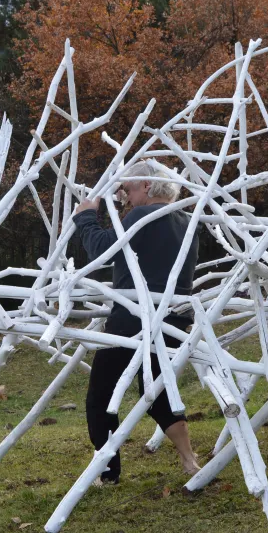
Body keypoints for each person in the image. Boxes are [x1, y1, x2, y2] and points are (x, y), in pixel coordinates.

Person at [72, 161, 201, 483]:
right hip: (175, 316)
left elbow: (102, 250)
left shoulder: (144, 216)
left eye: (128, 189)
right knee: (157, 391)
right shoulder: (186, 220)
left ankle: (107, 472)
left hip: (135, 317)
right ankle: (189, 459)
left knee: (101, 395)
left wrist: (86, 216)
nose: (125, 197)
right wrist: (115, 208)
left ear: (147, 185)